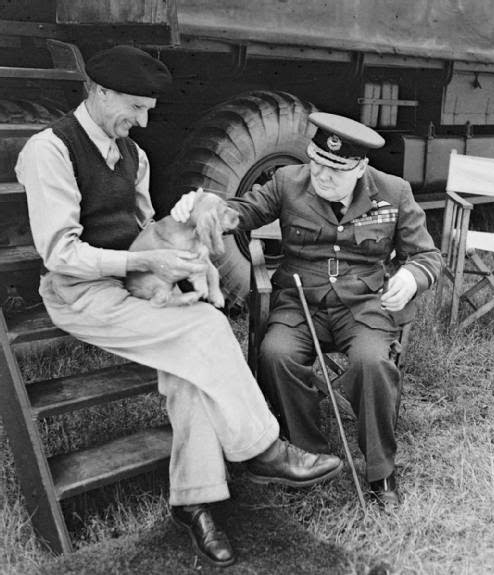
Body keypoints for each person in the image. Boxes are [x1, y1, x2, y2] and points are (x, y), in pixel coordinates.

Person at [15, 46, 343, 568]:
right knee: (206, 329)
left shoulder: (134, 155)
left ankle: (197, 503)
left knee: (191, 369)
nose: (143, 121)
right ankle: (263, 449)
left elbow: (144, 230)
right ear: (98, 92)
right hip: (81, 295)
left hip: (138, 284)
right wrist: (141, 266)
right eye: (135, 107)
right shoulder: (49, 149)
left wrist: (186, 231)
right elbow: (60, 253)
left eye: (148, 110)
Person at [172, 112, 442, 507]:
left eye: (334, 169)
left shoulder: (394, 192)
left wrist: (412, 276)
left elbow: (429, 255)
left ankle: (381, 472)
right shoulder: (288, 181)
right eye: (316, 161)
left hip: (362, 307)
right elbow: (242, 211)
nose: (321, 175)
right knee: (275, 354)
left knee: (371, 363)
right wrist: (204, 206)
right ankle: (309, 454)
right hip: (300, 302)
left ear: (361, 167)